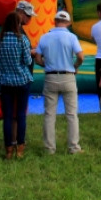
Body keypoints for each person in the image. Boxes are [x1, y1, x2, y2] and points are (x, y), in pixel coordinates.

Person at [35, 10, 85, 155]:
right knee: (71, 114)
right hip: (68, 76)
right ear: (68, 23)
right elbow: (80, 56)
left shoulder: (44, 37)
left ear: (54, 21)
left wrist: (47, 65)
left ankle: (49, 148)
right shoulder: (72, 37)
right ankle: (73, 147)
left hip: (51, 77)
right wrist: (74, 66)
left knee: (49, 114)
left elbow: (38, 58)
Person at [0, 1, 35, 160]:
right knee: (21, 115)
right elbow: (27, 60)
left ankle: (8, 150)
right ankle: (20, 148)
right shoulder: (22, 40)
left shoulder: (0, 40)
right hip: (22, 81)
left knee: (8, 116)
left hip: (6, 82)